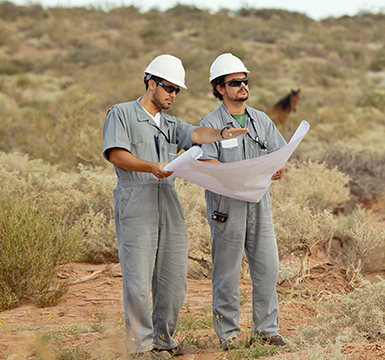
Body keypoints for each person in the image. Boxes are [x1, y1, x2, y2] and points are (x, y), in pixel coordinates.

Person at [102, 54, 248, 357]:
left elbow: (195, 134)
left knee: (173, 277)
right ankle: (140, 347)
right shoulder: (122, 113)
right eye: (169, 88)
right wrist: (150, 166)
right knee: (139, 278)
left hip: (168, 198)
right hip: (136, 197)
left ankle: (164, 341)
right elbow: (116, 154)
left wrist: (222, 133)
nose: (173, 95)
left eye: (177, 91)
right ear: (151, 83)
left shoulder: (170, 123)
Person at [197, 53, 288, 350]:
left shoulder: (261, 120)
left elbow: (279, 153)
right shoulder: (209, 124)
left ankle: (266, 330)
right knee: (227, 271)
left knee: (268, 267)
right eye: (235, 82)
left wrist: (278, 167)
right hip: (227, 207)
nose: (242, 86)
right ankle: (229, 336)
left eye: (245, 80)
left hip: (259, 203)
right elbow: (207, 164)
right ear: (220, 87)